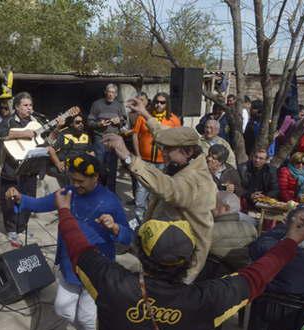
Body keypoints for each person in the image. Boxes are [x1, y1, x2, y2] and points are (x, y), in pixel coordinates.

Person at [54, 187, 304, 330]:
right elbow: (256, 275)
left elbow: (78, 246)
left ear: (141, 254)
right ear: (190, 260)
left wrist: (65, 211)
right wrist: (291, 240)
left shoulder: (111, 282)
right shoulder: (205, 299)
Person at [5, 154, 132, 330]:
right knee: (62, 309)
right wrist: (19, 198)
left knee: (87, 315)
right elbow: (38, 204)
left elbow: (129, 237)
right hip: (69, 265)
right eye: (73, 179)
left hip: (98, 270)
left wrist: (115, 228)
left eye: (81, 181)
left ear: (96, 178)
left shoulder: (110, 201)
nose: (75, 185)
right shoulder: (68, 194)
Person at [102, 107, 217, 283]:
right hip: (161, 250)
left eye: (167, 150)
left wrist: (127, 156)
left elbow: (167, 188)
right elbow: (164, 134)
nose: (163, 154)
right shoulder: (189, 158)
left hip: (179, 266)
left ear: (187, 151)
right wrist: (145, 114)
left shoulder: (197, 180)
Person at [0, 92, 44, 247]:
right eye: (25, 105)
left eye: (30, 105)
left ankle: (21, 228)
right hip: (11, 168)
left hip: (30, 168)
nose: (29, 108)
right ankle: (11, 230)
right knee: (10, 201)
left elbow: (42, 141)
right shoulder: (8, 120)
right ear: (16, 107)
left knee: (29, 198)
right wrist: (23, 133)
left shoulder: (37, 122)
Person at [129, 93, 182, 222]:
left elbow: (179, 140)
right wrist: (138, 155)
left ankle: (151, 219)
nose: (159, 104)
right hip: (145, 160)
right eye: (157, 101)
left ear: (167, 104)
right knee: (141, 191)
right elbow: (135, 135)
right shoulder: (143, 117)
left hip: (163, 162)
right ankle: (138, 220)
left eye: (162, 102)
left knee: (157, 192)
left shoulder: (174, 120)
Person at [201, 191, 257, 279]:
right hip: (240, 277)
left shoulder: (211, 230)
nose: (210, 207)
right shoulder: (250, 227)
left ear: (226, 208)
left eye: (214, 203)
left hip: (214, 277)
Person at [87, 83, 128, 193]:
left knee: (112, 168)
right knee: (99, 167)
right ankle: (98, 192)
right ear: (105, 92)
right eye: (109, 92)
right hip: (100, 139)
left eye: (113, 93)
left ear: (116, 94)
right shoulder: (97, 104)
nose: (110, 94)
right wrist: (99, 124)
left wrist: (120, 121)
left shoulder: (119, 105)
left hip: (114, 139)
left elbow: (124, 121)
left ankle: (111, 193)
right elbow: (89, 122)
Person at [46, 114, 93, 186]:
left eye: (82, 122)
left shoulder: (86, 136)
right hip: (66, 165)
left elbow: (91, 153)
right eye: (77, 122)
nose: (81, 124)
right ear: (71, 124)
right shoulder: (64, 134)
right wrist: (58, 163)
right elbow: (50, 149)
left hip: (80, 165)